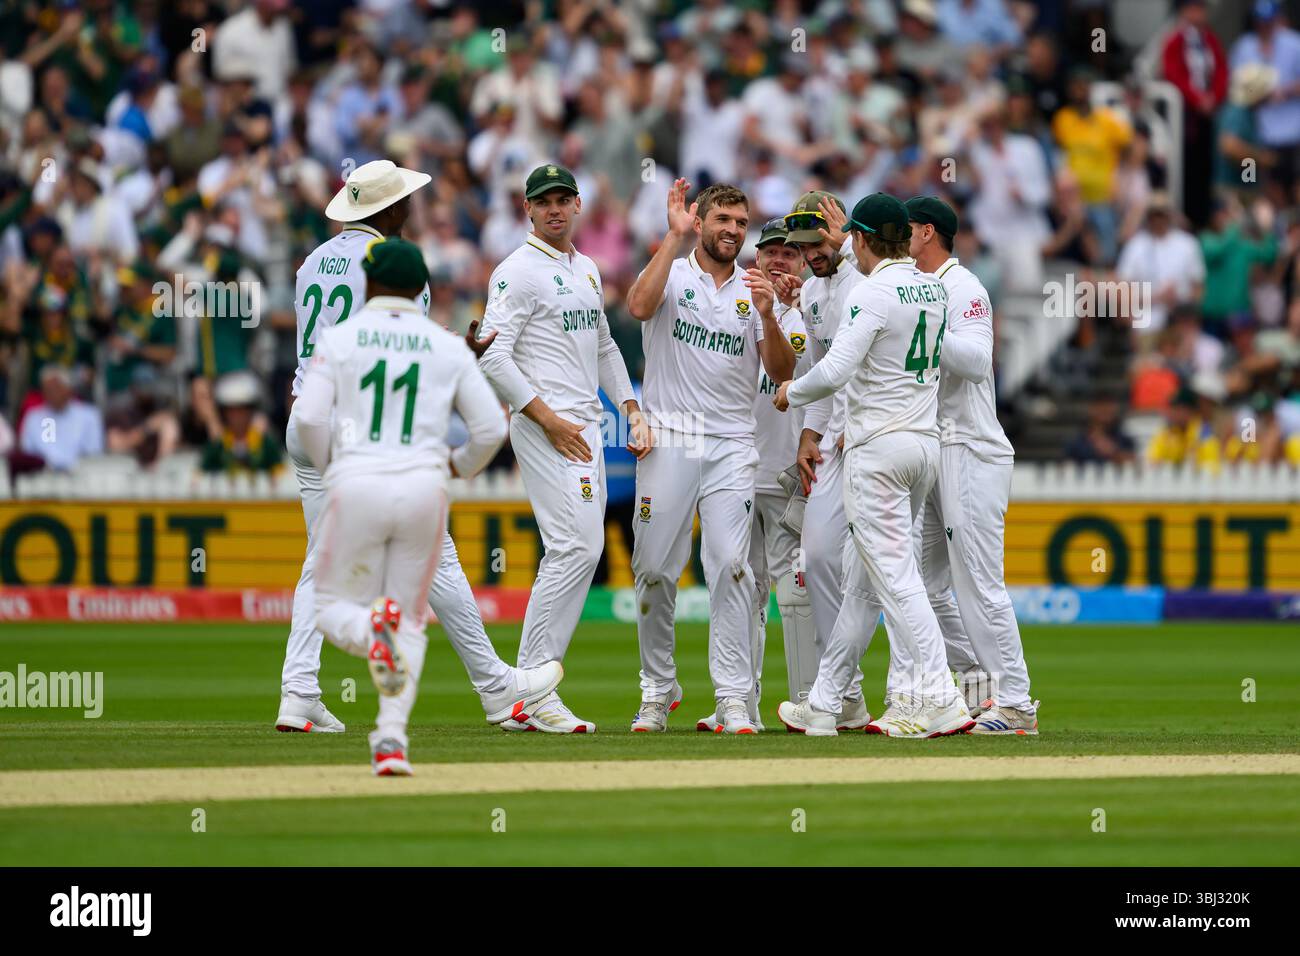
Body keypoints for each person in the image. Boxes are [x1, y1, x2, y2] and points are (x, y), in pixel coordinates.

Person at [277, 160, 562, 738]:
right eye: (403, 200)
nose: (411, 207)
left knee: (324, 560)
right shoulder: (392, 264)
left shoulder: (313, 262)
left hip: (306, 415)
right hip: (359, 431)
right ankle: (495, 687)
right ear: (385, 211)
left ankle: (300, 691)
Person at [774, 193, 973, 739]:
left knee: (895, 578)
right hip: (923, 446)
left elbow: (835, 369)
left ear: (858, 239)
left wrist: (791, 391)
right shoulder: (932, 287)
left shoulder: (871, 291)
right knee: (863, 586)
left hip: (877, 451)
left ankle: (941, 695)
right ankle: (823, 701)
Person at [470, 163, 650, 734]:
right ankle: (534, 689)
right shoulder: (516, 272)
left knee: (577, 548)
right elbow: (492, 356)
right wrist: (547, 420)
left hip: (586, 426)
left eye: (562, 200)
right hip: (547, 424)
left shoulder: (588, 269)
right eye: (542, 201)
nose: (553, 209)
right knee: (576, 547)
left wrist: (631, 409)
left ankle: (524, 690)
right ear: (527, 209)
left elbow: (603, 348)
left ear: (577, 205)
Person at [625, 179, 796, 734]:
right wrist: (671, 242)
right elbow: (637, 306)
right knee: (654, 570)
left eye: (741, 223)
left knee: (731, 566)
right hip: (670, 436)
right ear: (698, 221)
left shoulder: (754, 287)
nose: (733, 231)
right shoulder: (672, 270)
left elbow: (781, 373)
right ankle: (658, 689)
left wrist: (769, 316)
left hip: (731, 444)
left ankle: (732, 698)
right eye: (722, 219)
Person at [905, 196, 1039, 733]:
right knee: (926, 584)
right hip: (935, 447)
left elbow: (978, 362)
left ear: (927, 234)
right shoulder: (912, 288)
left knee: (980, 583)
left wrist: (922, 326)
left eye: (905, 231)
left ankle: (1018, 703)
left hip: (972, 447)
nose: (899, 240)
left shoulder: (965, 288)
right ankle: (983, 690)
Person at [693, 217, 815, 732]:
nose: (779, 261)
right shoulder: (733, 306)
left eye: (790, 253)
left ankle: (811, 702)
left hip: (793, 472)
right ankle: (739, 702)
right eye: (771, 253)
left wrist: (799, 303)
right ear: (756, 258)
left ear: (805, 260)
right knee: (741, 586)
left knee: (796, 592)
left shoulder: (821, 310)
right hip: (740, 469)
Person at [781, 190, 872, 723]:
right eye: (802, 243)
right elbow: (818, 372)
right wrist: (809, 435)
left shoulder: (870, 280)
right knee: (816, 559)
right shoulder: (813, 294)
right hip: (833, 444)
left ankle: (919, 690)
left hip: (875, 439)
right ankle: (849, 695)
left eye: (818, 239)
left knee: (885, 572)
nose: (811, 251)